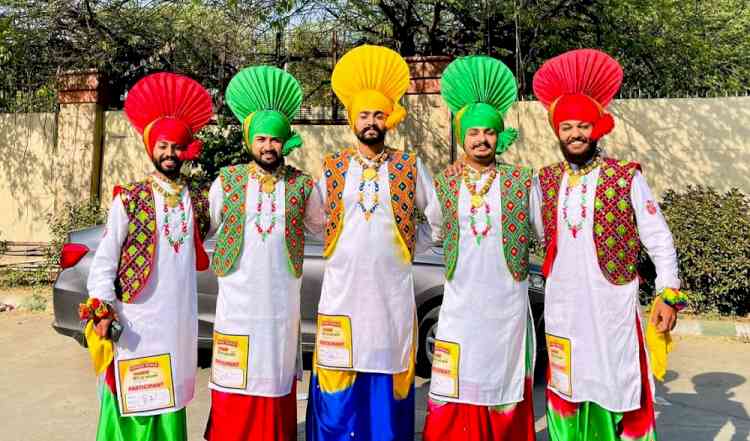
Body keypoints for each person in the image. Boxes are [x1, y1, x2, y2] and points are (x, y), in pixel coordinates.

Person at [531, 48, 686, 441]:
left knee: (618, 387)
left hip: (611, 309)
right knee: (568, 389)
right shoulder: (545, 181)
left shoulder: (625, 176)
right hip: (565, 311)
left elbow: (658, 237)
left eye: (583, 125)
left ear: (597, 127)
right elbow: (520, 228)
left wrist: (668, 295)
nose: (575, 134)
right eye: (566, 127)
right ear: (557, 131)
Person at [304, 44, 439, 441]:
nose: (371, 122)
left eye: (378, 114)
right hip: (342, 294)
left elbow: (437, 218)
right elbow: (314, 218)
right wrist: (339, 247)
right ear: (351, 119)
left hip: (389, 298)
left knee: (385, 366)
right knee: (338, 369)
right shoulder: (333, 168)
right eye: (364, 114)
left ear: (388, 120)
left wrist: (414, 249)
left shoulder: (409, 166)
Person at [85, 72, 213, 441]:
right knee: (133, 395)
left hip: (176, 324)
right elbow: (104, 262)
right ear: (150, 148)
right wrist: (102, 311)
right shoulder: (129, 199)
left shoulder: (199, 201)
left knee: (170, 395)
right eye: (163, 146)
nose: (170, 154)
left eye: (176, 147)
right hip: (136, 322)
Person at [422, 55, 537, 441]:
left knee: (501, 385)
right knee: (455, 382)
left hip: (506, 306)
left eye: (489, 132)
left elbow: (544, 229)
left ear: (498, 134)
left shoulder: (522, 182)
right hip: (460, 305)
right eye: (473, 133)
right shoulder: (444, 182)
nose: (481, 139)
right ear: (461, 136)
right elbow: (436, 231)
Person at [203, 65, 318, 441]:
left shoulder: (303, 185)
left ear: (285, 143)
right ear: (250, 140)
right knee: (235, 376)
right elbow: (212, 222)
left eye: (275, 140)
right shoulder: (227, 180)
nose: (269, 146)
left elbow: (321, 225)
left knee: (273, 375)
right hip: (237, 306)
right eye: (262, 138)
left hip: (280, 307)